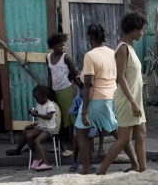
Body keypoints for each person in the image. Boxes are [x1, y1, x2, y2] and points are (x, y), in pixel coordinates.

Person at [75, 23, 136, 175]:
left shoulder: (90, 55)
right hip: (112, 97)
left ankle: (87, 168)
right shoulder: (112, 52)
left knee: (81, 132)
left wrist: (84, 112)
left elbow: (88, 84)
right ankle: (135, 163)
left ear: (91, 38)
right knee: (120, 135)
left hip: (97, 100)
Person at [96, 11, 147, 175]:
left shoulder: (130, 48)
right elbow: (120, 77)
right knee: (124, 139)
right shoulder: (123, 49)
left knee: (141, 133)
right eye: (141, 30)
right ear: (134, 30)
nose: (142, 33)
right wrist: (132, 102)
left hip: (135, 99)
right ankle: (101, 171)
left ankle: (142, 170)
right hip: (128, 100)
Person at [5, 85, 57, 171]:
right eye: (35, 98)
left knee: (37, 141)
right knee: (27, 134)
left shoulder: (50, 105)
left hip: (49, 129)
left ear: (45, 96)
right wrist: (32, 111)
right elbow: (37, 111)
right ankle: (36, 156)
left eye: (37, 98)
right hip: (41, 126)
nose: (36, 100)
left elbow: (49, 117)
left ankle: (45, 163)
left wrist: (36, 114)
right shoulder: (39, 104)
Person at [46, 33, 78, 156]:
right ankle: (63, 143)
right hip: (55, 90)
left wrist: (68, 79)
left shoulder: (66, 57)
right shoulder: (48, 57)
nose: (63, 48)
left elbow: (74, 72)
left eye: (63, 46)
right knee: (58, 116)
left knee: (68, 117)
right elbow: (49, 74)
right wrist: (49, 90)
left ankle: (72, 143)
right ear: (53, 46)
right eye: (60, 46)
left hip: (66, 90)